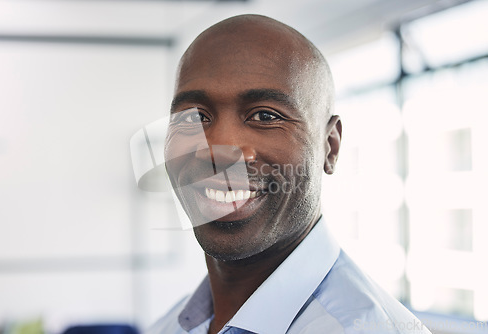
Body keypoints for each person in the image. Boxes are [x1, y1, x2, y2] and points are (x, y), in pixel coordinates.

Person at [150, 14, 430, 334]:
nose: (217, 151)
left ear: (330, 147)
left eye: (265, 115)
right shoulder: (170, 325)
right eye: (193, 117)